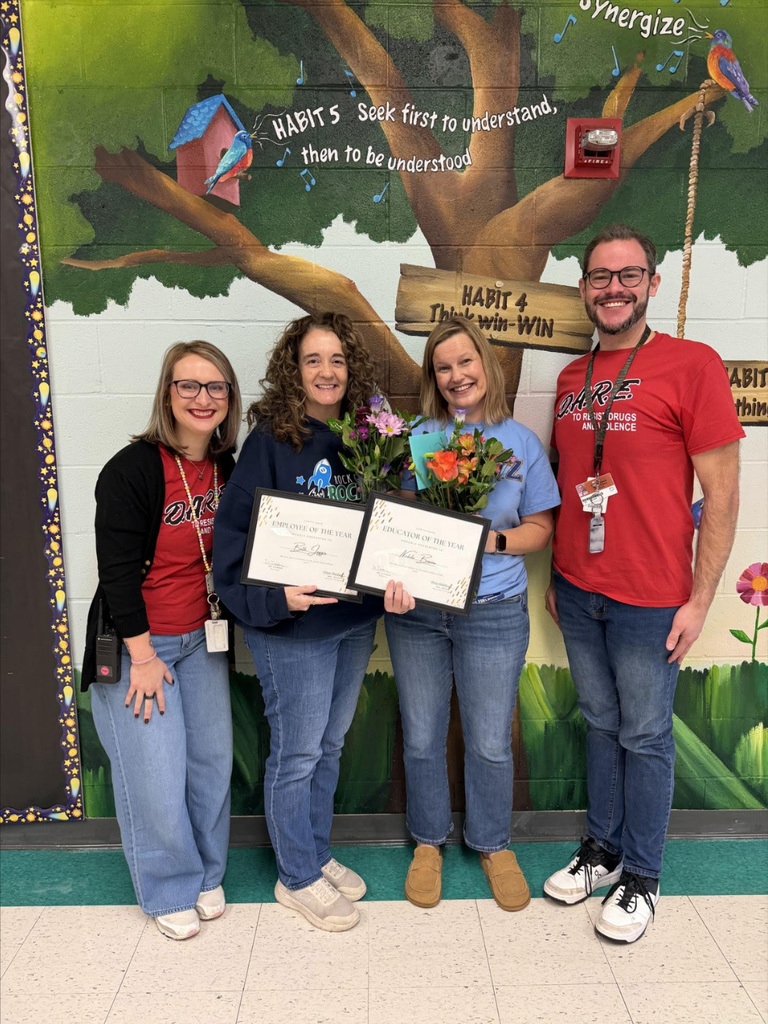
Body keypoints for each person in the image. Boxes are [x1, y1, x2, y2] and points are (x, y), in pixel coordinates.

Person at [543, 223, 744, 943]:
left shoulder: (693, 365)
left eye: (629, 275)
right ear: (584, 289)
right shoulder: (571, 378)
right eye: (600, 276)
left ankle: (643, 877)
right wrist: (558, 573)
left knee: (646, 735)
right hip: (578, 589)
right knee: (600, 724)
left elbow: (723, 494)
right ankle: (602, 849)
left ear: (652, 284)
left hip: (651, 597)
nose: (614, 288)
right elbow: (570, 481)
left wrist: (700, 599)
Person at [213, 312, 413, 932]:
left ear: (351, 368)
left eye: (337, 359)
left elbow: (393, 525)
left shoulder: (370, 438)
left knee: (329, 745)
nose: (326, 371)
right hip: (294, 628)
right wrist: (277, 599)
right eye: (312, 360)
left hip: (352, 621)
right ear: (293, 370)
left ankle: (316, 852)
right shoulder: (269, 442)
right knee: (297, 752)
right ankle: (295, 876)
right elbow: (234, 540)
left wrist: (402, 576)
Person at [385, 316, 561, 912]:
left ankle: (492, 843)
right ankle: (428, 840)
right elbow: (396, 519)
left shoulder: (520, 442)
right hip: (418, 613)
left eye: (465, 362)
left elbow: (540, 528)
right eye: (443, 367)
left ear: (486, 365)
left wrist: (493, 541)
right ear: (433, 378)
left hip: (493, 610)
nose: (456, 375)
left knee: (489, 740)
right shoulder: (416, 439)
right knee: (422, 735)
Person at [82, 341, 242, 940]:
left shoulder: (225, 467)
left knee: (210, 766)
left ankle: (205, 874)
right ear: (167, 394)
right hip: (141, 646)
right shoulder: (131, 470)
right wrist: (142, 656)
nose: (203, 398)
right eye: (188, 385)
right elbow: (117, 574)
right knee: (156, 776)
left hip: (203, 640)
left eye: (215, 386)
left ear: (229, 397)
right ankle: (168, 887)